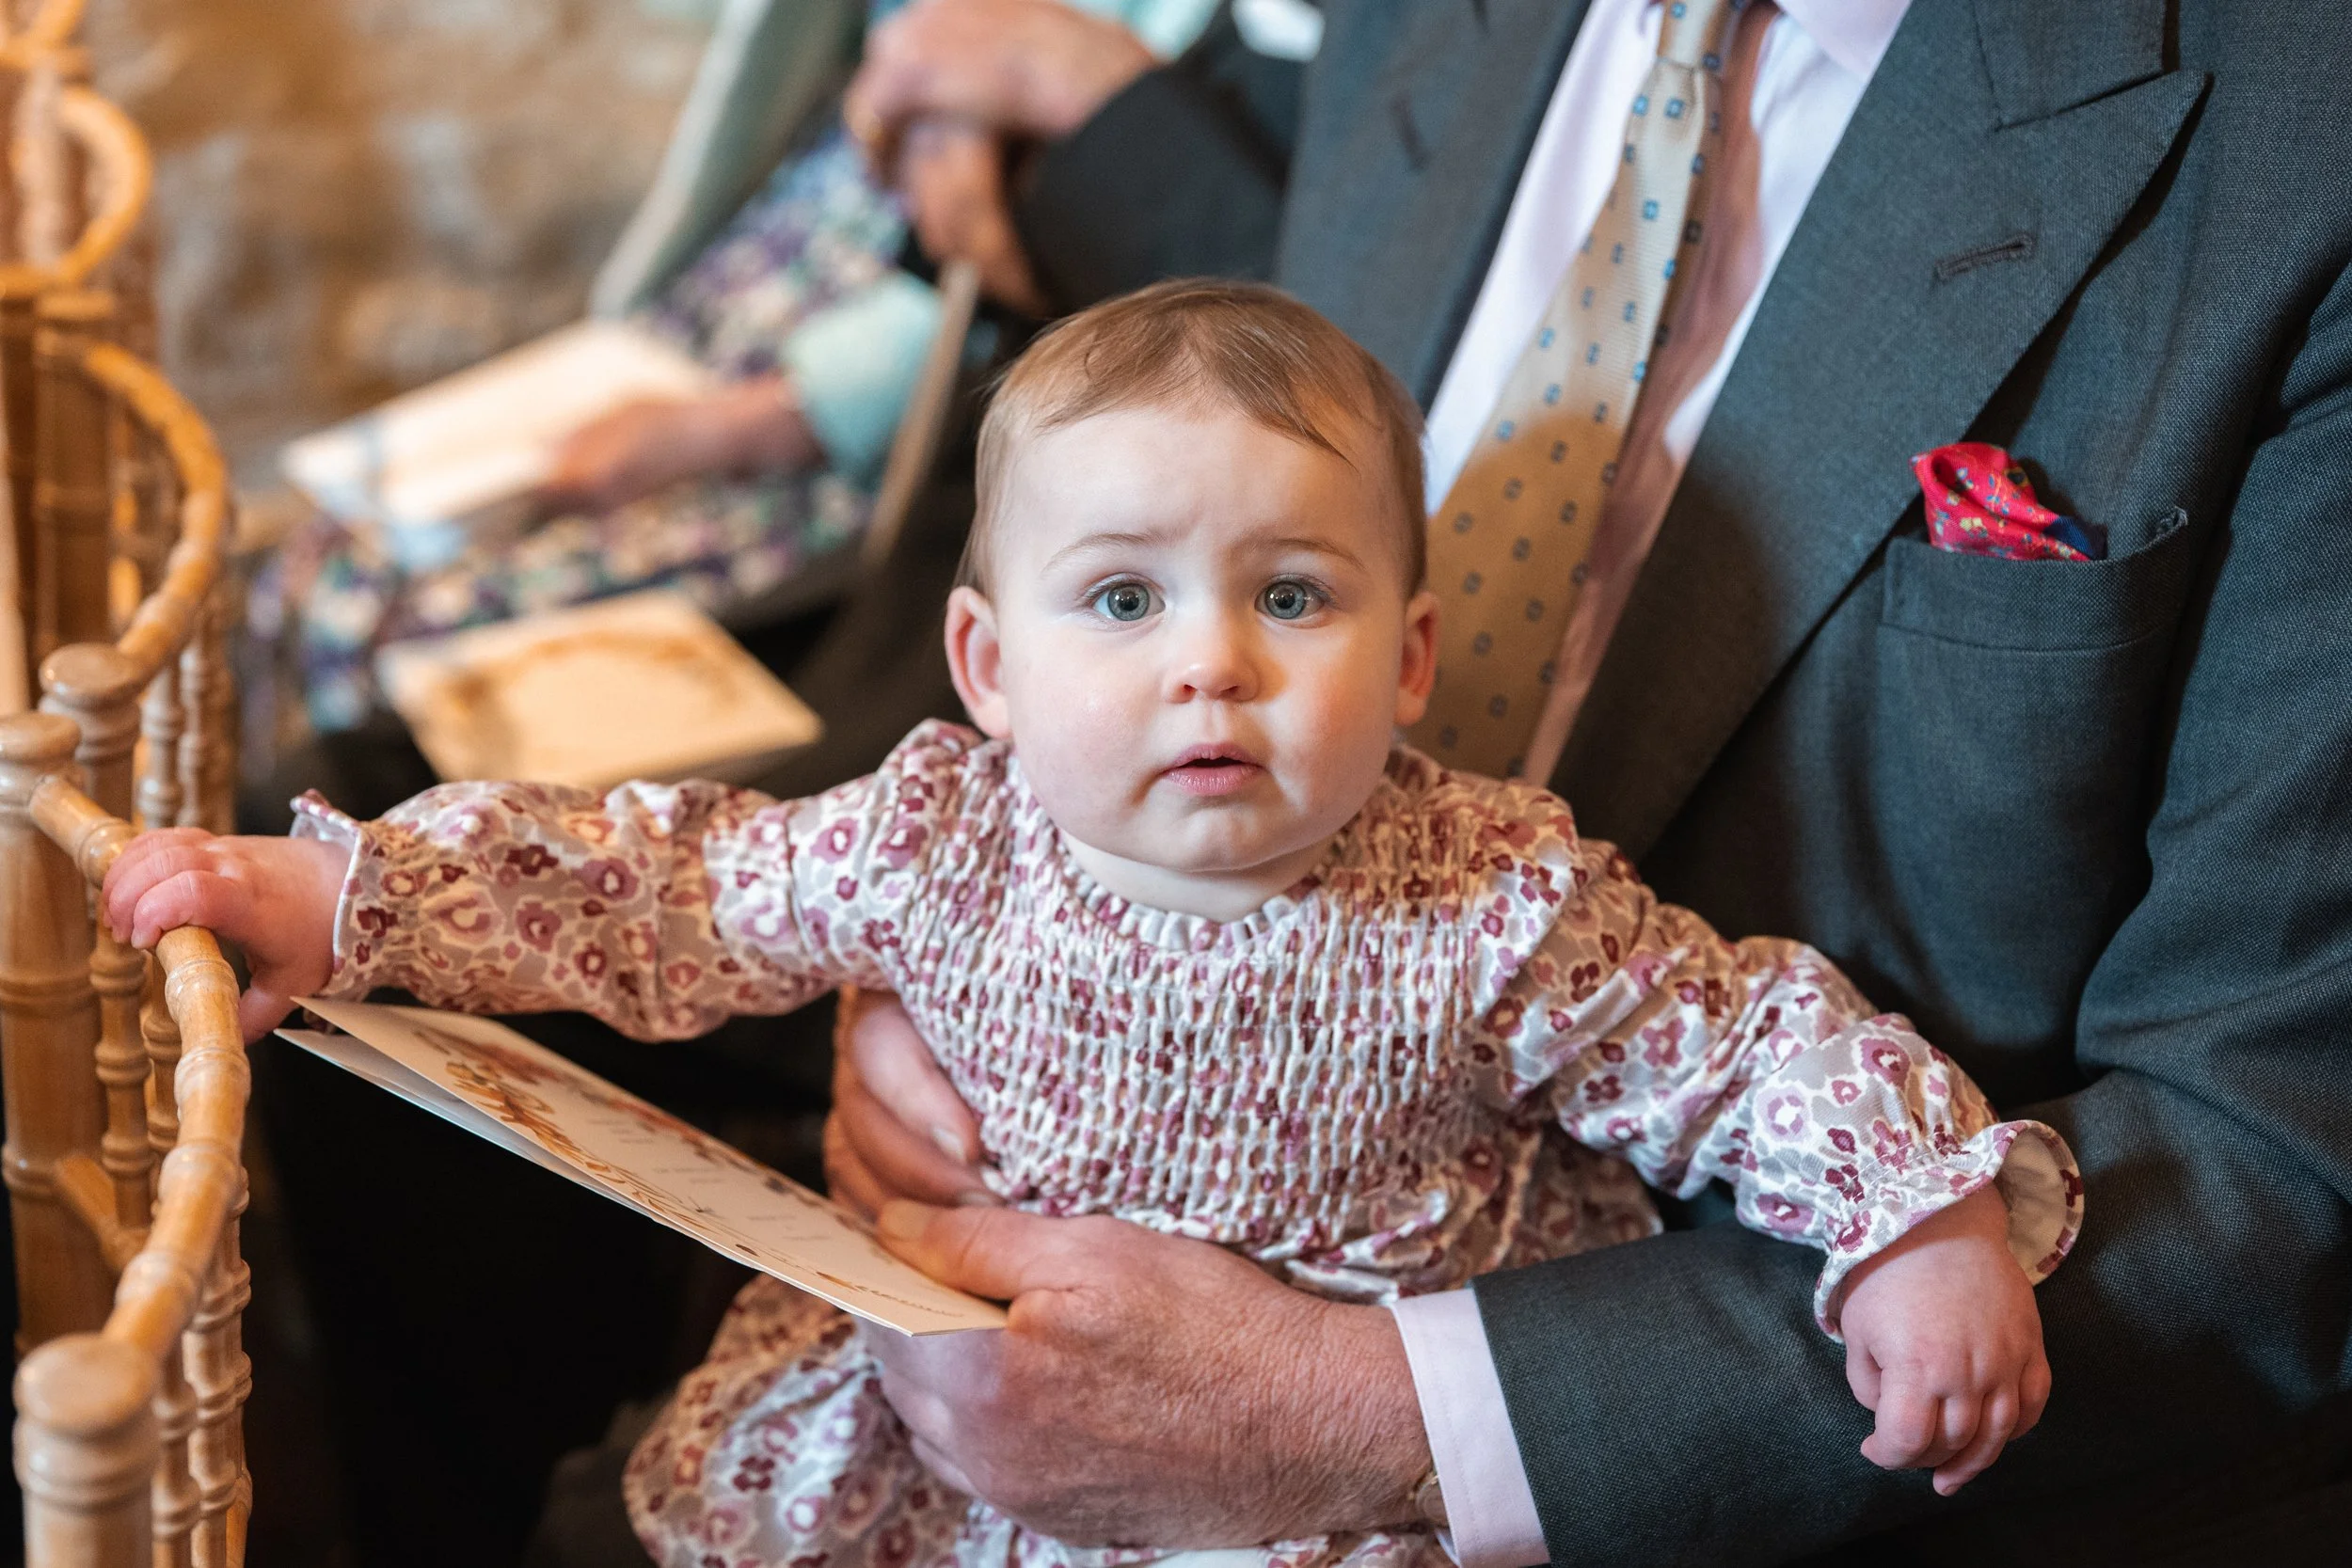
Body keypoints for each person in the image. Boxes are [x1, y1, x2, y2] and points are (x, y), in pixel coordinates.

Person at [108, 283, 2076, 1565]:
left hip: (1309, 1479)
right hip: (942, 1427)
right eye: (1120, 600)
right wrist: (345, 890)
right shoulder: (935, 834)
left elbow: (1731, 1043)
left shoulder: (1494, 893)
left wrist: (1905, 1216)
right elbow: (664, 881)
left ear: (1406, 657)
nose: (1207, 665)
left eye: (1287, 597)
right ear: (986, 658)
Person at [806, 0, 2352, 1562]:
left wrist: (1380, 1411)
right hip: (1006, 1286)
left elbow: (2280, 1154)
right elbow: (1297, 436)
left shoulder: (2308, 137)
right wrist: (963, 952)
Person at [262, 0, 1223, 736]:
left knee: (384, 619)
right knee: (303, 563)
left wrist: (721, 427)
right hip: (749, 291)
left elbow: (1028, 275)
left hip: (852, 410)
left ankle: (365, 939)